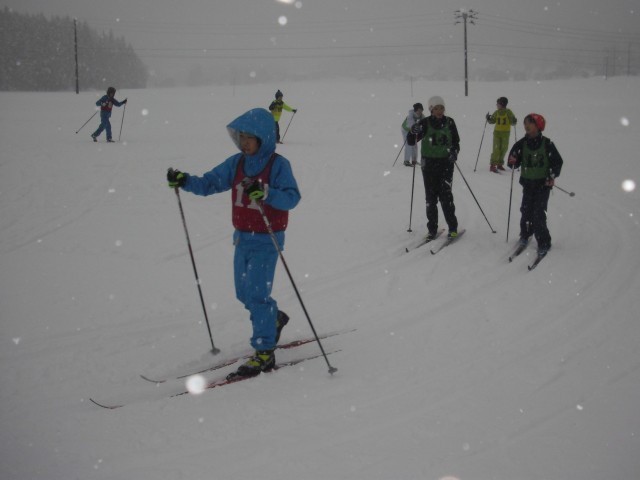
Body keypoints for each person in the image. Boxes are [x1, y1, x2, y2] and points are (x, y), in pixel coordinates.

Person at [167, 108, 301, 377]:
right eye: (241, 138)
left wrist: (266, 192)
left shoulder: (277, 165)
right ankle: (273, 319)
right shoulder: (237, 163)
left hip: (267, 239)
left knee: (257, 295)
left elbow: (292, 197)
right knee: (244, 294)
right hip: (242, 238)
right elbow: (210, 183)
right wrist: (185, 181)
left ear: (263, 138)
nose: (244, 143)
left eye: (249, 138)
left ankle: (265, 352)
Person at [508, 113, 563, 256]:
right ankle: (525, 234)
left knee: (539, 213)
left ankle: (544, 241)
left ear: (538, 126)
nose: (526, 126)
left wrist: (552, 174)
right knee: (525, 211)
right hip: (527, 184)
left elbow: (557, 162)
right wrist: (512, 160)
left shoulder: (547, 144)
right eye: (525, 123)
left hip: (542, 185)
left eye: (530, 123)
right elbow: (512, 160)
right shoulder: (521, 144)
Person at [410, 95, 460, 239]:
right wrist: (413, 131)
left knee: (446, 197)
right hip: (429, 165)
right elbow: (411, 141)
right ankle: (432, 229)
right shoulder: (425, 123)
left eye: (441, 108)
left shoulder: (450, 122)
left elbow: (456, 142)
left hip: (446, 164)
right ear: (431, 109)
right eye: (436, 108)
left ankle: (453, 227)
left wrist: (454, 152)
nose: (439, 111)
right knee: (430, 199)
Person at [486, 96, 517, 172]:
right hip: (497, 133)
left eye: (498, 104)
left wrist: (514, 121)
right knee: (496, 149)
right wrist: (488, 119)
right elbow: (492, 121)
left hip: (505, 134)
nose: (496, 105)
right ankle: (493, 164)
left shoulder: (508, 112)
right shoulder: (497, 112)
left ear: (501, 104)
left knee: (504, 149)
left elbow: (512, 122)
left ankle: (500, 163)